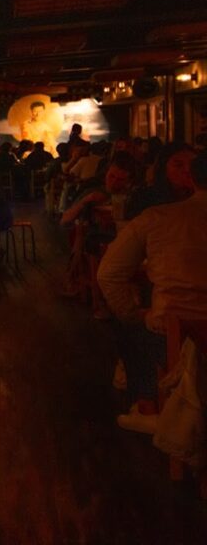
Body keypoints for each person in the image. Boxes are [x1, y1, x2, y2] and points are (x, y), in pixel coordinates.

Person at [97, 153, 207, 433]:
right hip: (186, 335)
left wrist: (133, 315)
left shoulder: (159, 217)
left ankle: (150, 408)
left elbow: (108, 274)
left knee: (133, 328)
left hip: (180, 338)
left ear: (193, 179)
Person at [129, 141, 196, 215]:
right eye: (179, 165)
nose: (187, 169)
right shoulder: (144, 198)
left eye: (193, 164)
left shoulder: (201, 198)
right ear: (163, 168)